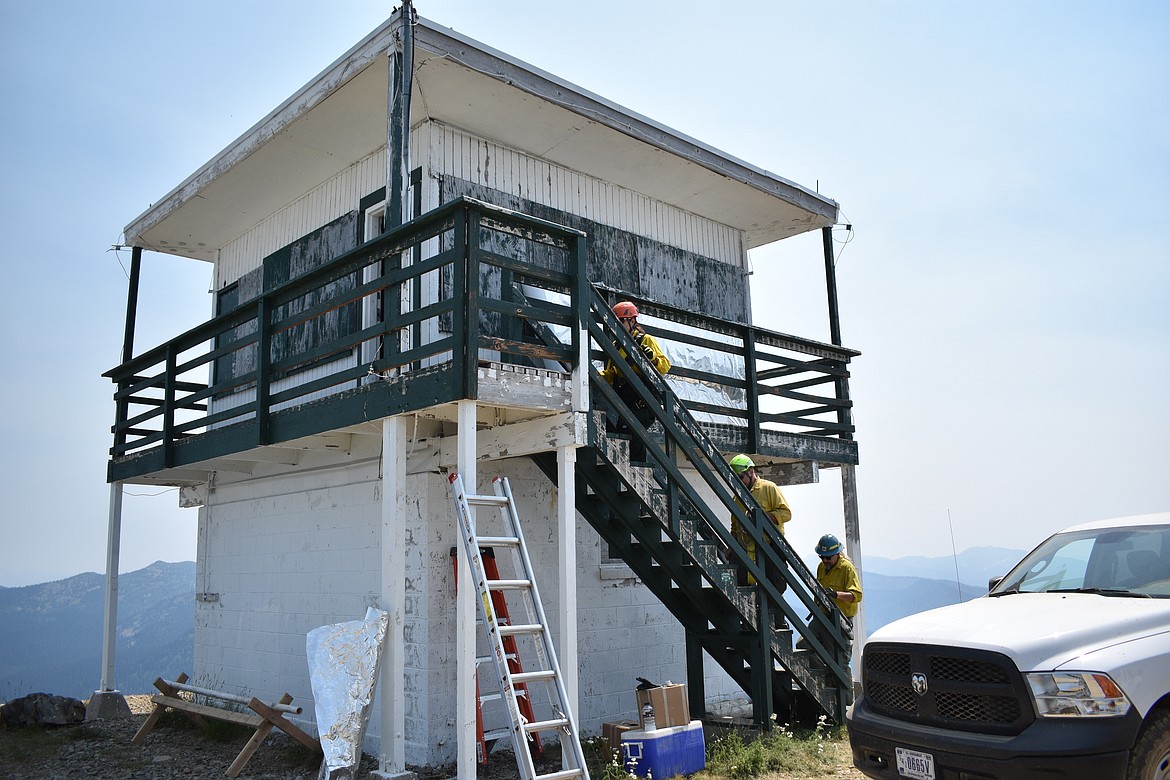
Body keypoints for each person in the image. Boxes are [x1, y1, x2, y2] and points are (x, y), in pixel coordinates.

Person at [728, 454, 792, 628]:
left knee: (775, 585)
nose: (738, 481)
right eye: (735, 478)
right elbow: (735, 527)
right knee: (742, 581)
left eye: (740, 477)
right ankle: (749, 622)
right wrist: (731, 547)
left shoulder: (769, 488)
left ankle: (778, 623)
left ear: (750, 471)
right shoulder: (737, 498)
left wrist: (762, 518)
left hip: (771, 545)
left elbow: (786, 514)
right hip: (747, 548)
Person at [600, 301, 670, 461]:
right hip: (626, 398)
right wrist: (594, 375)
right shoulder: (616, 346)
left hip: (642, 399)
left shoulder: (646, 340)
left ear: (632, 321)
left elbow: (665, 366)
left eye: (620, 322)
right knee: (623, 432)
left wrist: (651, 357)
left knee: (634, 432)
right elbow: (611, 373)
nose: (617, 326)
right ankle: (631, 472)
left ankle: (638, 473)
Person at [801, 533, 863, 659]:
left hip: (841, 621)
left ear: (837, 554)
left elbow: (856, 595)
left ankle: (838, 678)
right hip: (822, 616)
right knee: (804, 644)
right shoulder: (821, 567)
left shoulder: (847, 569)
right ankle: (822, 674)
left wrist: (836, 594)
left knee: (840, 659)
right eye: (821, 557)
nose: (824, 560)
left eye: (828, 557)